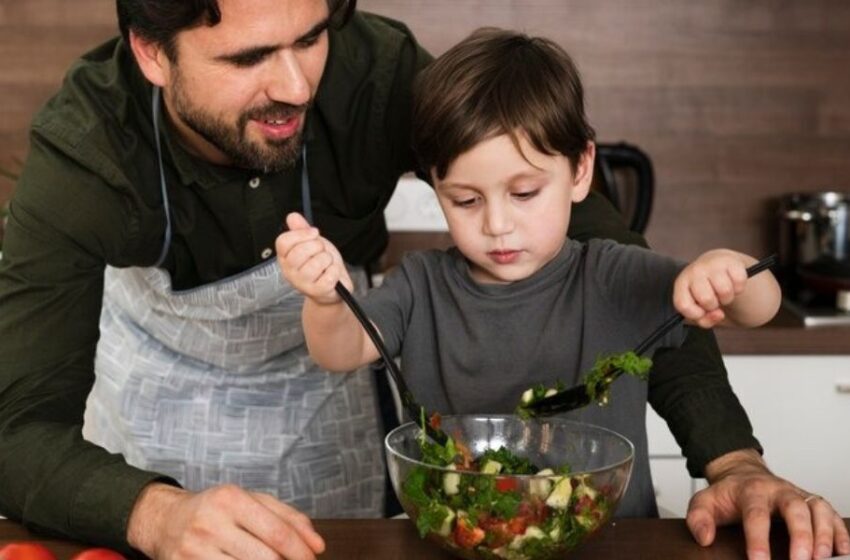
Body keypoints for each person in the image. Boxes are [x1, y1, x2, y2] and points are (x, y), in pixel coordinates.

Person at [0, 0, 843, 558]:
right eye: (251, 55)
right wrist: (155, 513)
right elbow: (17, 428)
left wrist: (733, 462)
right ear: (152, 52)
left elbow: (636, 295)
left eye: (310, 37)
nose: (296, 84)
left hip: (331, 391)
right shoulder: (85, 150)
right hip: (156, 422)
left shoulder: (379, 72)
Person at [277, 27, 850, 560]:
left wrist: (730, 272)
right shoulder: (421, 283)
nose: (497, 225)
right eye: (466, 201)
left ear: (579, 171)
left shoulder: (615, 275)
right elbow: (340, 350)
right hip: (455, 543)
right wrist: (327, 301)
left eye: (524, 193)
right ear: (435, 187)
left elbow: (759, 306)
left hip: (609, 541)